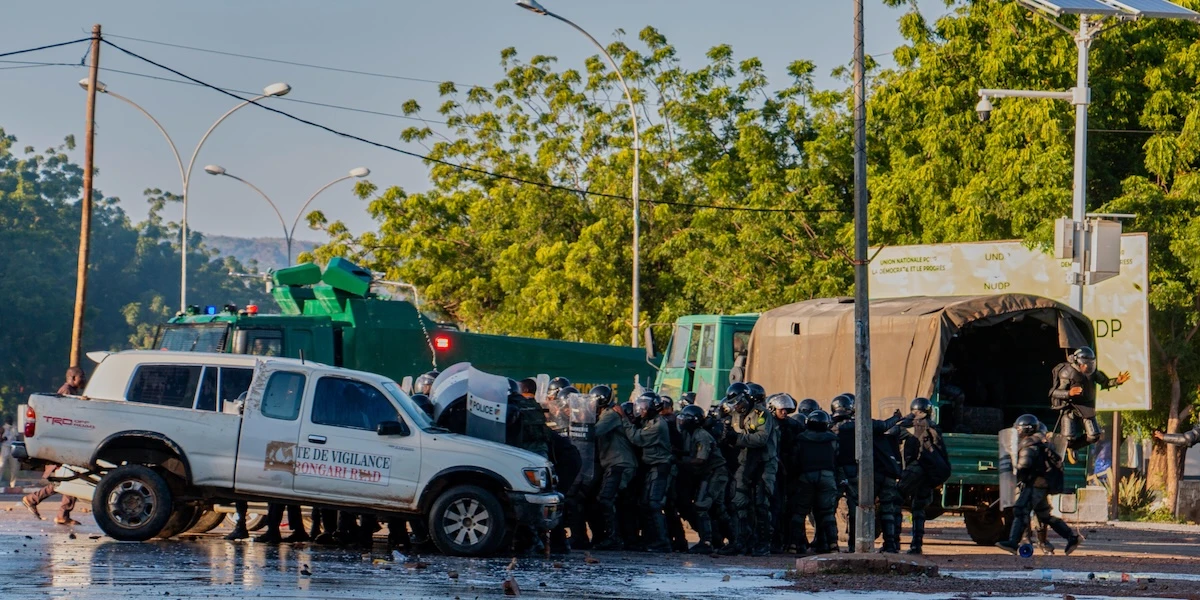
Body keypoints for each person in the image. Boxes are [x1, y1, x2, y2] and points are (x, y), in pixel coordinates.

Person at [998, 414, 1082, 556]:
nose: (1017, 432)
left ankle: (1013, 543)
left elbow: (1025, 465)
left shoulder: (1029, 445)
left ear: (1025, 429)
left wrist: (1014, 474)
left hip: (1035, 484)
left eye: (1018, 429)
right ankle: (1072, 538)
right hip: (1041, 484)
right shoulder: (1040, 442)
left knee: (1020, 510)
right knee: (1044, 515)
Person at [718, 382, 778, 557]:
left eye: (739, 402)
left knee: (761, 503)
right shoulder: (736, 415)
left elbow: (760, 438)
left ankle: (763, 543)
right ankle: (740, 541)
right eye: (733, 403)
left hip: (765, 462)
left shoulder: (761, 414)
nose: (736, 406)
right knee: (739, 501)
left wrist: (736, 438)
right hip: (745, 461)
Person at [22, 367, 85, 525]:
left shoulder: (69, 391)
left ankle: (52, 509)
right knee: (70, 478)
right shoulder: (67, 392)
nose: (83, 380)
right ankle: (40, 503)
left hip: (65, 442)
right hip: (65, 443)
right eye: (81, 377)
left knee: (67, 479)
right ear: (73, 377)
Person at [616, 392, 674, 553]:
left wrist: (624, 419)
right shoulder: (649, 421)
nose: (641, 409)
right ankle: (651, 539)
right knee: (645, 504)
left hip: (660, 466)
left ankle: (662, 542)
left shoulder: (657, 425)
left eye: (644, 406)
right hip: (652, 466)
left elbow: (636, 437)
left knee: (654, 504)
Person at [1049, 347, 1129, 451]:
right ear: (1078, 363)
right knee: (1068, 439)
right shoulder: (1067, 372)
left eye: (1090, 364)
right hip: (1070, 407)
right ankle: (1065, 444)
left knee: (1094, 436)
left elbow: (1105, 382)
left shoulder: (1092, 372)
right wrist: (1069, 393)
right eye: (1085, 364)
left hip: (1086, 406)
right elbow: (1054, 393)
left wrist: (1117, 381)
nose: (1088, 367)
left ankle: (1074, 448)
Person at [897, 398, 949, 555]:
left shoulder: (911, 424)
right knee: (919, 508)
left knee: (894, 501)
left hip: (915, 468)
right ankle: (916, 545)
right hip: (929, 471)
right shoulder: (934, 426)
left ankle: (892, 543)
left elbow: (895, 435)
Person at [675, 404, 728, 554]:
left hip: (715, 473)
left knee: (702, 506)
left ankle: (707, 541)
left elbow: (700, 460)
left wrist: (679, 462)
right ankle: (719, 540)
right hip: (709, 473)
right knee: (713, 508)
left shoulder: (701, 435)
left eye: (685, 419)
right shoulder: (691, 434)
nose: (682, 421)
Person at [591, 386, 637, 551]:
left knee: (606, 499)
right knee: (619, 502)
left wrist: (578, 422)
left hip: (620, 464)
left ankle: (614, 538)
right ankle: (623, 537)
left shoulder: (609, 415)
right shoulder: (605, 414)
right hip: (615, 463)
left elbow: (594, 432)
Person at [790, 409, 840, 554]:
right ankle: (833, 545)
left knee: (800, 512)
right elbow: (837, 458)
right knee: (827, 512)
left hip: (806, 476)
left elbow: (794, 460)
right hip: (827, 476)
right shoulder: (832, 439)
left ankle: (794, 545)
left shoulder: (801, 438)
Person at [767, 393, 800, 553]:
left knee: (783, 507)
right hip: (772, 470)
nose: (785, 412)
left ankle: (783, 541)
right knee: (772, 506)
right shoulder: (768, 424)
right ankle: (772, 540)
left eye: (787, 410)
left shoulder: (791, 425)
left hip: (787, 471)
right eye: (782, 410)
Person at [658, 396, 689, 552]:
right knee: (669, 505)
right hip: (673, 466)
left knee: (668, 504)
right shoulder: (673, 420)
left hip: (671, 467)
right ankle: (677, 538)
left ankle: (675, 538)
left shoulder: (669, 421)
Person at [1, 416, 17, 489]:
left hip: (13, 448)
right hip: (5, 448)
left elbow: (18, 437)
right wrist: (4, 438)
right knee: (1, 465)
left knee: (14, 467)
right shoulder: (3, 428)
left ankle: (13, 484)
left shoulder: (14, 429)